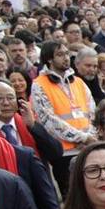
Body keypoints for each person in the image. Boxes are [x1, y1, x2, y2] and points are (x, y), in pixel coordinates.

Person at [30, 40, 97, 188]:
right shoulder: (39, 84)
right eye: (60, 55)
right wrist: (83, 137)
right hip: (64, 152)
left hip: (87, 148)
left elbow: (92, 112)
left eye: (67, 54)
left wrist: (91, 136)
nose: (66, 58)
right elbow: (48, 120)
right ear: (49, 59)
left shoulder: (79, 82)